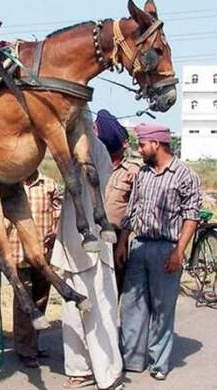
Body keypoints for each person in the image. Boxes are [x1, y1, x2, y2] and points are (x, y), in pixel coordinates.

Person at [116, 123, 202, 380]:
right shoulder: (142, 173)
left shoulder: (185, 175)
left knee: (162, 308)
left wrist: (179, 251)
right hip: (139, 246)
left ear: (157, 144)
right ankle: (132, 359)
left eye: (142, 145)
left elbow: (191, 217)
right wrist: (123, 242)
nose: (139, 149)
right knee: (131, 306)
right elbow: (132, 211)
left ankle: (158, 363)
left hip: (167, 248)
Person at [51, 112, 124, 390]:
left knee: (92, 311)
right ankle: (87, 371)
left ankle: (100, 373)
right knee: (81, 312)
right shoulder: (82, 148)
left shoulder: (92, 148)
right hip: (77, 244)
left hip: (88, 245)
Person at [6, 170, 61, 368]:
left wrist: (56, 230)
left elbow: (58, 212)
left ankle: (33, 344)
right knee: (24, 304)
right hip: (17, 253)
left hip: (43, 256)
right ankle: (25, 350)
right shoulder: (9, 184)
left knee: (40, 300)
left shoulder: (49, 184)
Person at [94, 109, 140, 295]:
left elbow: (132, 211)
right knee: (94, 286)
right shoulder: (95, 167)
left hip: (116, 237)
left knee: (113, 288)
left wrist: (122, 243)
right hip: (93, 234)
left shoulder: (133, 171)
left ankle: (111, 324)